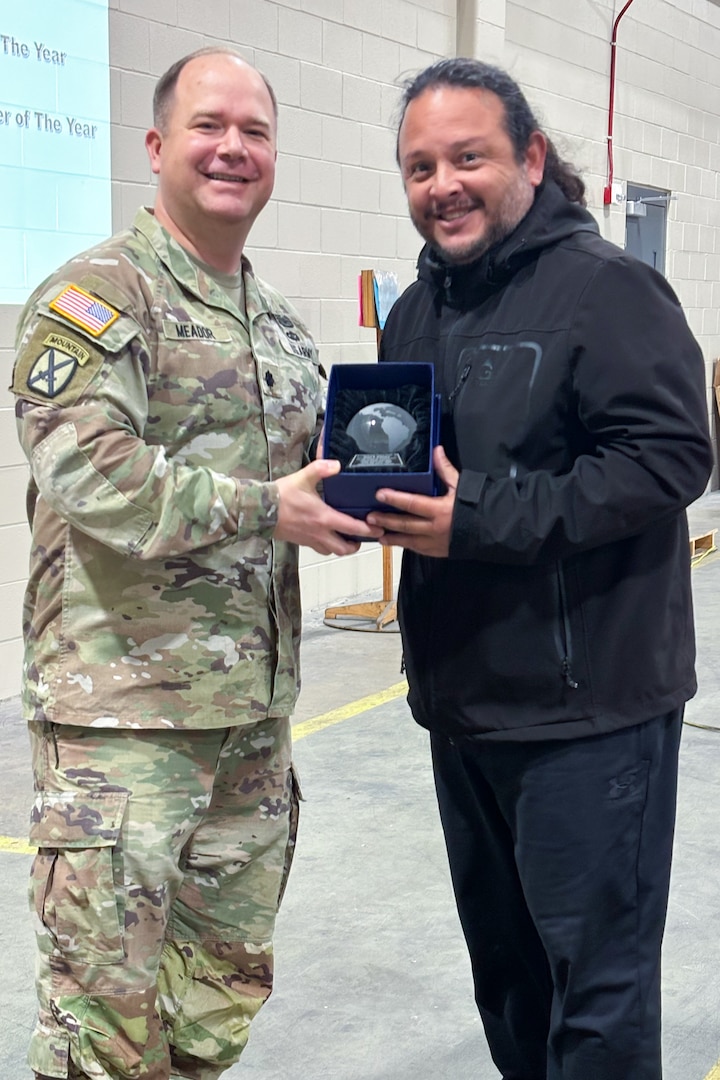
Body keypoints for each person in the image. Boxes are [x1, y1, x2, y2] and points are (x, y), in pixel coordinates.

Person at [11, 47, 380, 1080]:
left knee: (215, 1000)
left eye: (255, 132)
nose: (233, 148)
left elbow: (328, 479)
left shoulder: (278, 329)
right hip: (124, 730)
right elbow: (92, 473)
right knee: (104, 1022)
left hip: (251, 723)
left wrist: (389, 492)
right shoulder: (96, 296)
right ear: (158, 144)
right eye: (210, 126)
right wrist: (273, 508)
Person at [367, 57, 713, 1080]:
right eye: (419, 166)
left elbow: (669, 457)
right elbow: (413, 457)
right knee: (510, 982)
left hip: (589, 713)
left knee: (595, 999)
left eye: (467, 157)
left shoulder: (610, 290)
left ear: (530, 156)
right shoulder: (418, 310)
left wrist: (474, 515)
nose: (443, 185)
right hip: (465, 703)